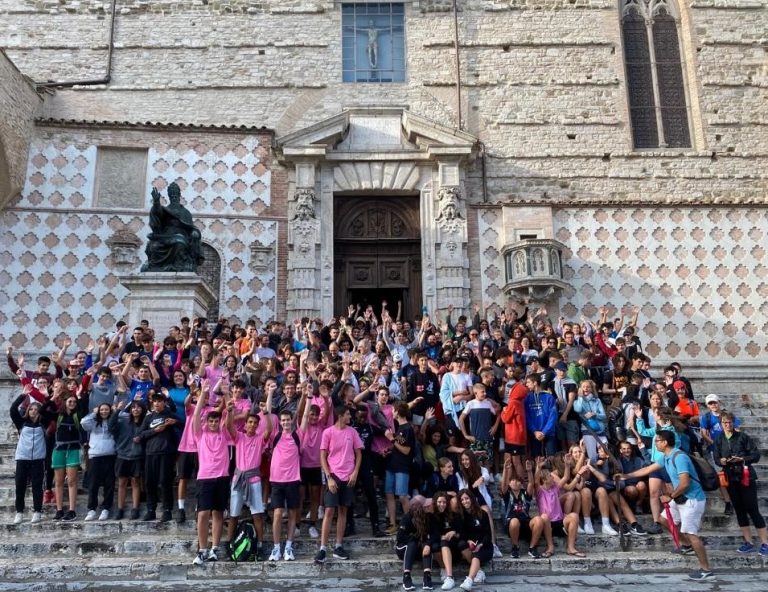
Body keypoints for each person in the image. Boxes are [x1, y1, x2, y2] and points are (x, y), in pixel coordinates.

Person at [618, 430, 713, 581]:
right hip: (680, 498)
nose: (655, 443)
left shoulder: (679, 457)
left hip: (692, 500)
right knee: (662, 520)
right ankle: (686, 545)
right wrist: (626, 476)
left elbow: (685, 483)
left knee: (692, 534)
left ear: (665, 442)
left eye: (657, 441)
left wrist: (670, 497)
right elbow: (647, 469)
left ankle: (706, 570)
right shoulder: (666, 457)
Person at [713, 411, 768, 556]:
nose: (727, 424)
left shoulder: (743, 437)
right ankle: (748, 542)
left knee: (753, 509)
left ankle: (765, 543)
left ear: (733, 423)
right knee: (739, 510)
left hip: (746, 476)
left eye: (730, 422)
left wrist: (742, 459)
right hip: (730, 478)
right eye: (724, 422)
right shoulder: (719, 439)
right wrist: (722, 461)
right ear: (721, 424)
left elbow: (755, 455)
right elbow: (716, 458)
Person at [228, 389, 273, 562]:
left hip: (254, 480)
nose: (253, 425)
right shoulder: (238, 437)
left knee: (257, 515)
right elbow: (228, 426)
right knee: (234, 514)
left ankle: (260, 545)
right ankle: (230, 543)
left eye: (255, 423)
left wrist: (267, 413)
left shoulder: (260, 438)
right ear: (245, 424)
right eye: (250, 423)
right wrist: (230, 410)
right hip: (238, 479)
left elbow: (269, 429)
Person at [315, 405, 363, 564]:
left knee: (343, 511)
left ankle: (338, 546)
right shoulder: (328, 432)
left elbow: (359, 453)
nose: (350, 416)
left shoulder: (352, 431)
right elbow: (322, 455)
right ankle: (322, 548)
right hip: (333, 475)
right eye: (348, 414)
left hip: (348, 476)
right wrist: (328, 477)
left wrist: (355, 472)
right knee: (329, 511)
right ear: (341, 415)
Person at [192, 387, 234, 565]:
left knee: (218, 514)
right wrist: (203, 393)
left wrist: (227, 399)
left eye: (216, 420)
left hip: (222, 477)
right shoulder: (200, 434)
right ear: (206, 422)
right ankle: (202, 549)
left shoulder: (224, 433)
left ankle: (214, 549)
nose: (214, 423)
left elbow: (229, 420)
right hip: (205, 478)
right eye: (211, 420)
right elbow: (195, 416)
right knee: (203, 515)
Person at [10, 391, 54, 524]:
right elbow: (13, 409)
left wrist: (51, 398)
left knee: (37, 486)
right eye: (31, 409)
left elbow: (47, 411)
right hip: (22, 458)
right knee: (20, 486)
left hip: (38, 459)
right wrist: (23, 395)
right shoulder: (21, 422)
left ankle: (37, 511)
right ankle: (19, 512)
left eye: (36, 409)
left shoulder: (44, 423)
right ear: (28, 410)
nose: (34, 411)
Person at [268, 410, 303, 561]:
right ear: (280, 422)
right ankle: (276, 548)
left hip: (293, 480)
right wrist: (269, 393)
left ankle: (288, 546)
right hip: (276, 480)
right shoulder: (275, 435)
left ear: (292, 421)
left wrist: (308, 397)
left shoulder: (298, 435)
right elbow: (268, 414)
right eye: (283, 420)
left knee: (292, 514)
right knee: (277, 514)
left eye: (288, 420)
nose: (286, 422)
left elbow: (306, 416)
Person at [139, 391, 179, 522]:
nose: (157, 403)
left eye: (159, 401)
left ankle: (167, 510)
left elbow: (183, 424)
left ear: (164, 402)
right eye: (155, 401)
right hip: (150, 453)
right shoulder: (148, 417)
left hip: (166, 453)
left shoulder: (169, 414)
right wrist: (154, 431)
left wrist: (174, 422)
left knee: (165, 482)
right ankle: (151, 510)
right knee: (150, 482)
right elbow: (141, 434)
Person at [109, 400, 146, 520]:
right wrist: (118, 410)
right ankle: (120, 509)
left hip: (137, 456)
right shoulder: (123, 421)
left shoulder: (145, 423)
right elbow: (111, 426)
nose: (136, 409)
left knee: (136, 482)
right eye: (133, 407)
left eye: (138, 407)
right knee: (122, 483)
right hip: (122, 455)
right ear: (130, 410)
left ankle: (135, 508)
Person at [501, 458, 544, 559]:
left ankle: (532, 548)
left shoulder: (524, 494)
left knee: (538, 519)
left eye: (517, 481)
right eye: (512, 481)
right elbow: (503, 485)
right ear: (509, 483)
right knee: (515, 521)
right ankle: (515, 547)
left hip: (525, 523)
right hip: (512, 525)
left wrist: (529, 471)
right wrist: (505, 470)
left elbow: (531, 484)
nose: (514, 482)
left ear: (521, 484)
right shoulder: (507, 494)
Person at [384, 402, 416, 535]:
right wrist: (389, 449)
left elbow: (407, 450)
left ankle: (411, 524)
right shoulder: (399, 427)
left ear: (398, 412)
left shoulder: (408, 428)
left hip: (402, 466)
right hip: (392, 464)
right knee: (389, 494)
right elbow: (398, 445)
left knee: (402, 496)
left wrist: (391, 439)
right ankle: (393, 524)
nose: (392, 411)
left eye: (393, 409)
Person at [81, 403, 117, 521]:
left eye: (106, 410)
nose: (104, 412)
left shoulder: (113, 421)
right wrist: (94, 413)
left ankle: (106, 508)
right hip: (95, 456)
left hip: (110, 455)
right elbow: (83, 422)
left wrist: (116, 411)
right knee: (93, 484)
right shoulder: (93, 422)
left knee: (109, 484)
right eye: (102, 410)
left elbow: (124, 417)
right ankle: (91, 509)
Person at [395, 495, 436, 591]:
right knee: (413, 543)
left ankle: (427, 576)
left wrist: (427, 544)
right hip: (404, 548)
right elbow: (400, 537)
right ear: (418, 508)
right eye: (425, 505)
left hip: (419, 549)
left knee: (426, 544)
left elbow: (435, 534)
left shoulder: (430, 517)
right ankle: (406, 576)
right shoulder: (407, 517)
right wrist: (416, 538)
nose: (428, 506)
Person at [456, 489, 493, 591]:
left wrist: (480, 544)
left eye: (466, 498)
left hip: (484, 546)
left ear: (471, 499)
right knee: (461, 544)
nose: (464, 501)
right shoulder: (461, 516)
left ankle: (469, 580)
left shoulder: (482, 513)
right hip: (471, 545)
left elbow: (487, 534)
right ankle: (479, 572)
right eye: (462, 499)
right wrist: (468, 541)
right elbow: (462, 534)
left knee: (477, 555)